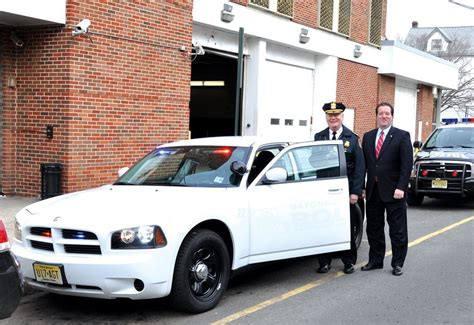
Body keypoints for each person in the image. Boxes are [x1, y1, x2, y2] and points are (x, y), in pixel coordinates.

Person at [361, 102, 413, 276]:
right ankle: (375, 261)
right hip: (373, 191)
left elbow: (407, 165)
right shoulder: (368, 137)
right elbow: (365, 166)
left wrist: (401, 188)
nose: (384, 116)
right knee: (373, 228)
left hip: (394, 192)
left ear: (392, 116)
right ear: (376, 115)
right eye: (381, 113)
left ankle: (398, 263)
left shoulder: (402, 136)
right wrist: (362, 187)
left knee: (397, 230)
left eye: (387, 113)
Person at [314, 102, 365, 274]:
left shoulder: (352, 138)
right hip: (324, 191)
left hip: (345, 192)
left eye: (336, 115)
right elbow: (313, 163)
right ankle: (324, 262)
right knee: (324, 226)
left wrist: (355, 192)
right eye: (330, 115)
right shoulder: (319, 137)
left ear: (342, 117)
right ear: (327, 118)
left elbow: (359, 167)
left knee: (346, 227)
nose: (333, 118)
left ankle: (348, 262)